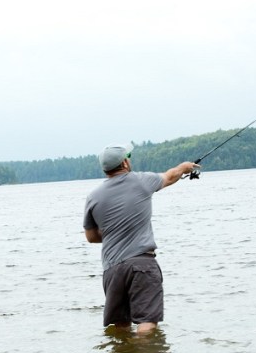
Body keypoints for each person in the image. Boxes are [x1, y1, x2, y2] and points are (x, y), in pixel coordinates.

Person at [83, 143, 199, 334]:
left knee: (119, 325)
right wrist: (184, 167)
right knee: (147, 322)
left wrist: (115, 231)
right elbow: (170, 176)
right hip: (141, 264)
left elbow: (91, 237)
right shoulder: (141, 181)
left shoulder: (93, 197)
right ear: (125, 163)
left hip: (112, 269)